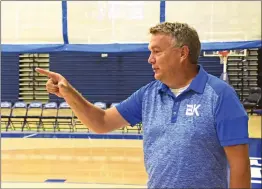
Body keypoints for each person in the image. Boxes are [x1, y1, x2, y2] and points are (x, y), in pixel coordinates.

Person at [36, 22, 251, 188]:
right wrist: (67, 92)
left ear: (183, 53)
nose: (150, 59)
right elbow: (101, 122)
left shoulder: (220, 96)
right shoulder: (149, 94)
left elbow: (240, 167)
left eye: (157, 51)